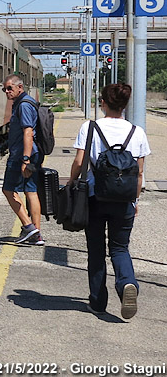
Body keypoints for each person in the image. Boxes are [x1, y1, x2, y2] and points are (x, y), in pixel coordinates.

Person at [69, 83, 150, 319]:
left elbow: (78, 162)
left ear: (102, 103)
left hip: (94, 198)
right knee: (119, 247)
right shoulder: (137, 132)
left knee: (96, 250)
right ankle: (127, 283)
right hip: (124, 200)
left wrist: (71, 183)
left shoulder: (90, 127)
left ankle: (97, 302)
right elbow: (139, 173)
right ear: (125, 106)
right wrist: (135, 201)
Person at [2, 74, 44, 246]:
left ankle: (28, 227)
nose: (6, 91)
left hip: (22, 155)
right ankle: (36, 235)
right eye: (4, 89)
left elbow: (28, 132)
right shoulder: (23, 103)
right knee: (31, 191)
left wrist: (25, 159)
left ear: (20, 87)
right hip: (29, 154)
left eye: (9, 88)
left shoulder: (24, 106)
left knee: (8, 190)